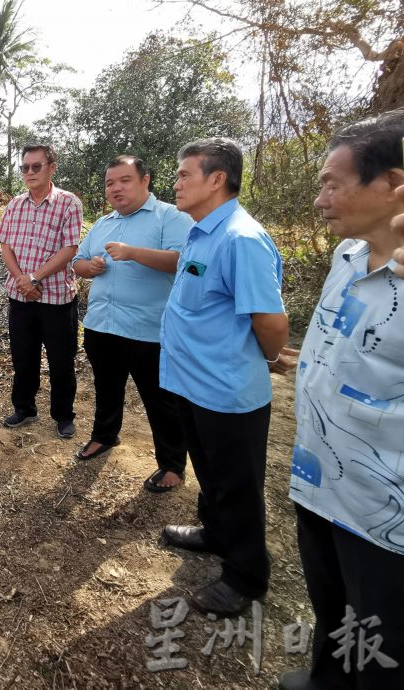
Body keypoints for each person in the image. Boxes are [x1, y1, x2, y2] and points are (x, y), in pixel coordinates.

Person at [277, 109, 404, 690]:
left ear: (393, 186)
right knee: (334, 610)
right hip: (320, 480)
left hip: (390, 512)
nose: (320, 200)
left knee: (390, 646)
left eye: (334, 183)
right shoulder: (348, 256)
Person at [158, 138, 289, 616]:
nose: (176, 183)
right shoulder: (201, 233)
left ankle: (246, 575)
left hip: (227, 389)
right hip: (193, 382)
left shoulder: (241, 238)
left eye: (184, 175)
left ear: (217, 179)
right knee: (211, 472)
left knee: (238, 482)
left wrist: (267, 357)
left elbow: (271, 325)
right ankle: (214, 531)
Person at [71, 155, 192, 491]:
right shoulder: (103, 224)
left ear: (145, 180)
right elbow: (77, 263)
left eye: (124, 180)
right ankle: (104, 436)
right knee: (106, 387)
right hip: (101, 325)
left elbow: (184, 262)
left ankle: (171, 465)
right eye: (110, 183)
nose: (116, 188)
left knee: (160, 399)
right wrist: (88, 268)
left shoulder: (170, 217)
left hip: (147, 329)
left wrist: (134, 252)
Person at [0, 144, 82, 438]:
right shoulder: (15, 205)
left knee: (61, 359)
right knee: (23, 357)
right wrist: (22, 279)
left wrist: (35, 277)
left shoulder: (69, 203)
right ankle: (24, 408)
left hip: (57, 297)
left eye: (36, 166)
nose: (30, 172)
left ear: (51, 167)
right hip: (21, 297)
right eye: (25, 167)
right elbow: (6, 246)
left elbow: (70, 248)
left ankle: (63, 415)